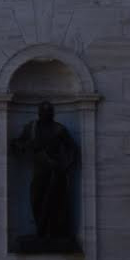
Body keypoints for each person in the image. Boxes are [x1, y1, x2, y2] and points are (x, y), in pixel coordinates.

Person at [11, 101, 78, 246]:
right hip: (39, 171)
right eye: (44, 112)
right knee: (36, 199)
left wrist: (66, 164)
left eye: (49, 112)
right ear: (39, 113)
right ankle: (40, 231)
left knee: (55, 202)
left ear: (53, 114)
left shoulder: (59, 129)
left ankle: (53, 233)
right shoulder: (31, 128)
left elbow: (72, 148)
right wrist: (20, 146)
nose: (47, 115)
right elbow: (19, 142)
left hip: (56, 171)